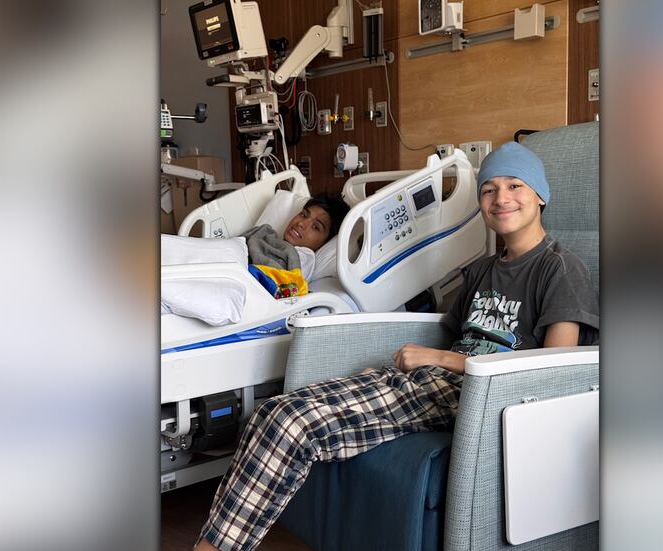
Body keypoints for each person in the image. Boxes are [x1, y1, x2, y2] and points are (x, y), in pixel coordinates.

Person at [193, 142, 599, 551]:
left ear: (540, 195)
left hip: (482, 396)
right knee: (273, 410)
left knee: (294, 425)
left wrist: (442, 359)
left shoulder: (560, 269)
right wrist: (409, 367)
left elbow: (552, 369)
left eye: (515, 185)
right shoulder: (481, 271)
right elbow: (449, 330)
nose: (501, 198)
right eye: (489, 189)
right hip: (434, 383)